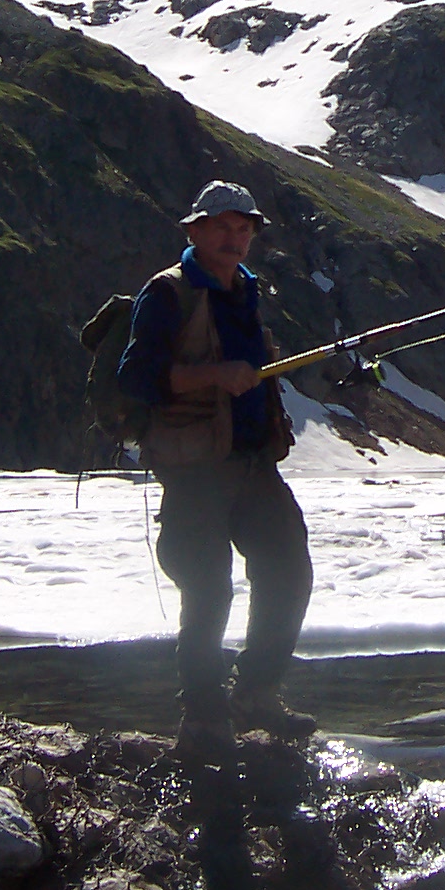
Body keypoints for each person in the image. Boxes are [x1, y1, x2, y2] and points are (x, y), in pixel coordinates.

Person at [117, 180, 314, 760]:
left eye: (243, 228)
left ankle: (256, 695)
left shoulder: (245, 290)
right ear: (194, 231)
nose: (234, 237)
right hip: (194, 469)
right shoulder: (166, 295)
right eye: (222, 226)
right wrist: (214, 375)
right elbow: (136, 379)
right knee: (207, 589)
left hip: (253, 462)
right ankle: (203, 717)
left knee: (288, 569)